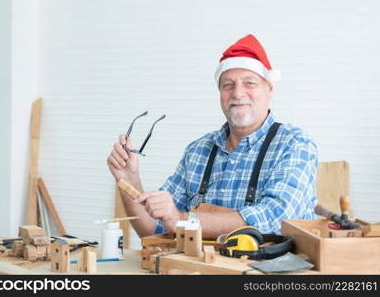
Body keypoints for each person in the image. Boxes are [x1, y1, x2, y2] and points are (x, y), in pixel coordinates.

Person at [107, 34, 318, 239]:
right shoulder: (199, 151)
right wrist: (129, 180)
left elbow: (277, 219)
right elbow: (154, 229)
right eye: (228, 85)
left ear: (269, 90)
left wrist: (181, 220)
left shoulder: (294, 145)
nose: (237, 93)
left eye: (249, 83)